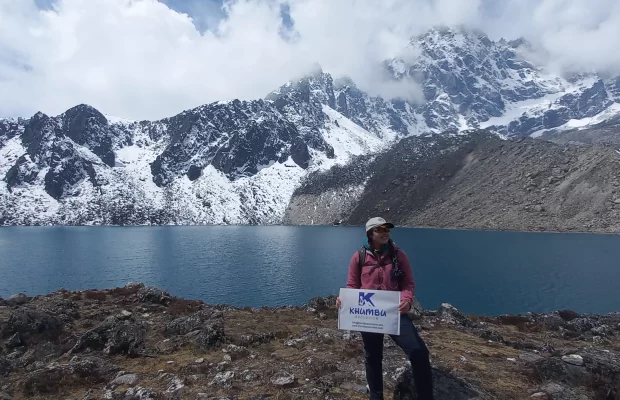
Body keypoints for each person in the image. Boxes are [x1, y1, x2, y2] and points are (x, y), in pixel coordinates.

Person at [336, 217, 434, 400]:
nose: (385, 232)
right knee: (373, 357)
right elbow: (352, 285)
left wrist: (406, 300)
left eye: (387, 228)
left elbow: (408, 284)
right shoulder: (359, 256)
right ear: (370, 234)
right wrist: (344, 299)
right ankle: (376, 396)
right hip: (370, 315)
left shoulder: (399, 255)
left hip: (394, 313)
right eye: (380, 229)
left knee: (418, 352)